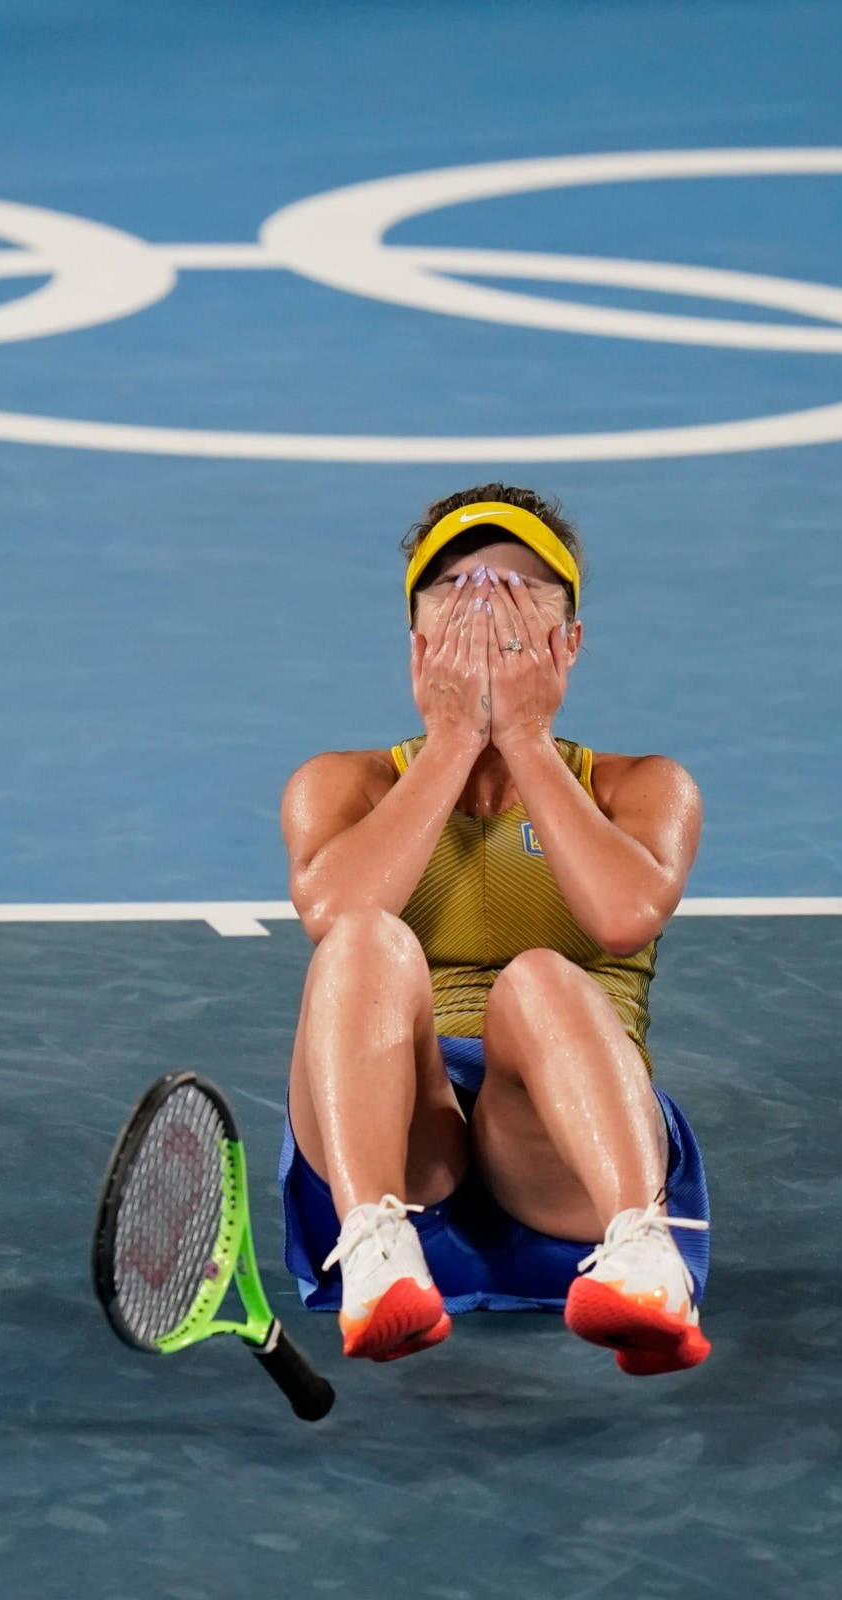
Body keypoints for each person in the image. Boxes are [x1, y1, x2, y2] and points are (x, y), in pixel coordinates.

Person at [276, 484, 711, 1377]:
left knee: (543, 978)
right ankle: (375, 1253)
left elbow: (622, 916)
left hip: (559, 1149)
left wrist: (523, 738)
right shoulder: (337, 782)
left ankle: (642, 1253)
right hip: (398, 1138)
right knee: (364, 940)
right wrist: (448, 746)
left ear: (568, 646)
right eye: (462, 597)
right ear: (420, 649)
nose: (487, 620)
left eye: (512, 599)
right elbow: (331, 913)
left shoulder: (644, 787)